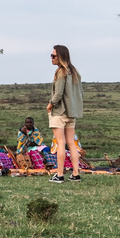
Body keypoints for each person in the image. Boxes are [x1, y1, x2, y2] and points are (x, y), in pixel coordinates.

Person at [46, 44, 86, 182]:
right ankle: (75, 173)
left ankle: (60, 174)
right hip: (71, 112)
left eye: (53, 56)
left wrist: (50, 104)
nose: (51, 58)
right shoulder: (74, 72)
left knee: (60, 143)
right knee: (71, 143)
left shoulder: (61, 72)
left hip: (60, 112)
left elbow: (58, 93)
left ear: (61, 56)